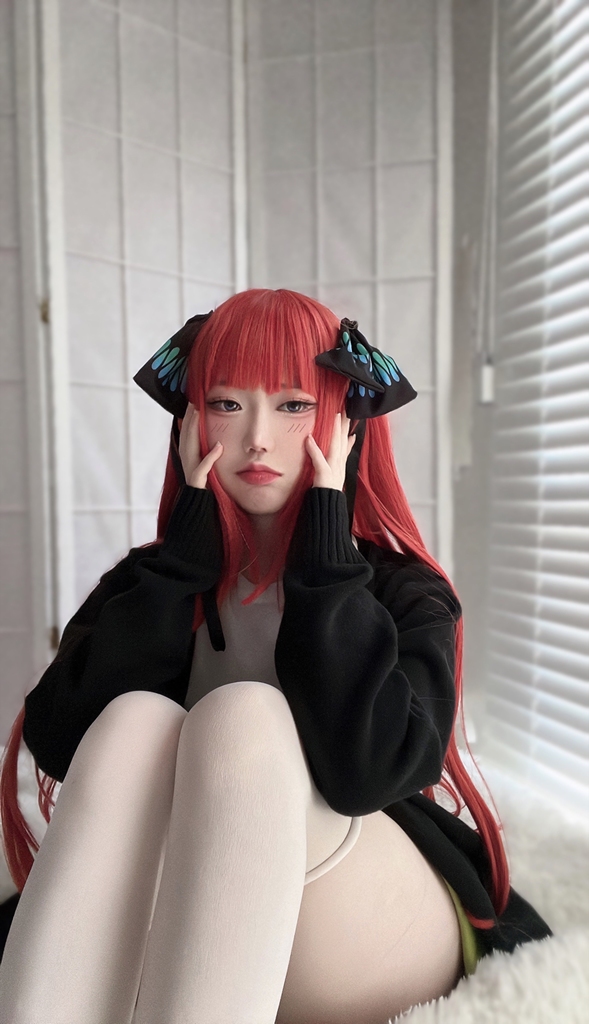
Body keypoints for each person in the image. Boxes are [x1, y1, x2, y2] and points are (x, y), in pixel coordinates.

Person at [0, 289, 551, 1024]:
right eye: (227, 404)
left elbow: (368, 774)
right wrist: (183, 561)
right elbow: (62, 740)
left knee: (246, 718)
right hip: (178, 921)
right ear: (190, 422)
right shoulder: (152, 582)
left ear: (345, 424)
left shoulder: (404, 592)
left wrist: (325, 550)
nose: (257, 438)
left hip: (358, 916)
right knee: (132, 720)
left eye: (294, 405)